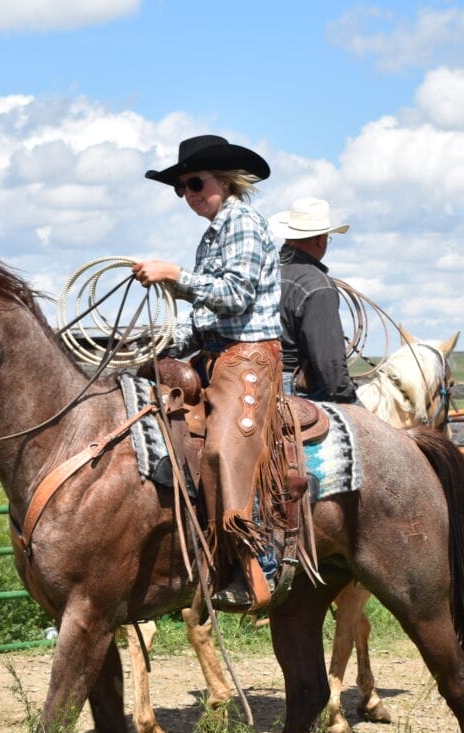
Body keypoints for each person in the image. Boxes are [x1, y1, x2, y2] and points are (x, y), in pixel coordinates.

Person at [132, 134, 283, 610]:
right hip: (215, 353)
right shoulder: (213, 232)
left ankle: (260, 560)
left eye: (195, 183)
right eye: (182, 189)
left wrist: (176, 276)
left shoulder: (241, 223)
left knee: (222, 447)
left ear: (225, 181)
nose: (189, 195)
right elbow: (206, 315)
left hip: (249, 356)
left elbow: (235, 295)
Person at [269, 197, 358, 404]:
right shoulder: (318, 286)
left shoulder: (264, 271)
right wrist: (346, 397)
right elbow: (329, 360)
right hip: (295, 390)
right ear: (321, 240)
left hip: (255, 380)